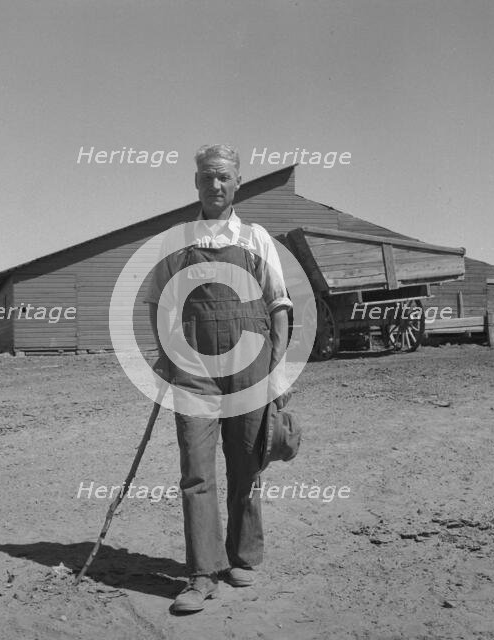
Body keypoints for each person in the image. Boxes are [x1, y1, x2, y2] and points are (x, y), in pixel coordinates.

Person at [144, 144, 292, 613]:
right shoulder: (178, 240)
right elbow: (157, 303)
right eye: (207, 177)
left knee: (247, 463)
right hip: (195, 372)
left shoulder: (256, 239)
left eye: (224, 177)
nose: (215, 185)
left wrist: (277, 370)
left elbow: (279, 307)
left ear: (237, 183)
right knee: (196, 469)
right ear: (196, 183)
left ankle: (242, 556)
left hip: (249, 366)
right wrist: (168, 355)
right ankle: (201, 573)